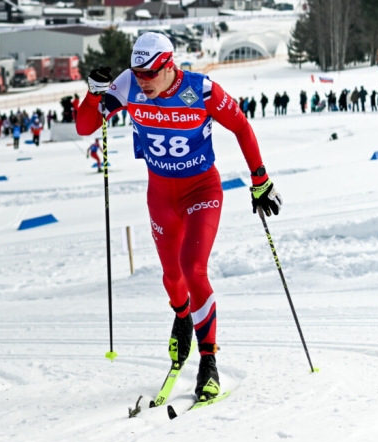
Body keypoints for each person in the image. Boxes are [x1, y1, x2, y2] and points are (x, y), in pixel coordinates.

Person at [76, 32, 282, 402]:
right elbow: (85, 126)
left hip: (201, 189)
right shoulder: (128, 84)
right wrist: (94, 94)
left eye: (149, 74)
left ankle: (208, 362)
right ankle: (183, 316)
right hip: (160, 195)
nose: (142, 82)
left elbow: (241, 127)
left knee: (193, 268)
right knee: (171, 277)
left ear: (168, 65)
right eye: (137, 74)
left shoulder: (200, 90)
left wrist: (260, 179)